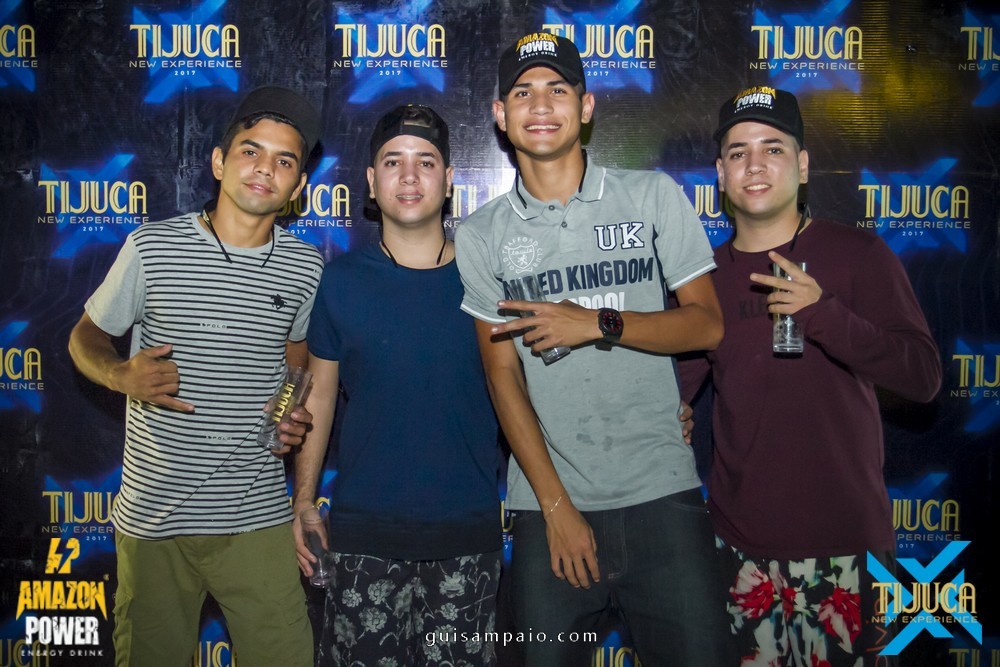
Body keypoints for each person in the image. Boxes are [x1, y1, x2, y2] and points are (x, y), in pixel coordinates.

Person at [454, 32, 736, 665]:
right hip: (547, 505)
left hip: (662, 493)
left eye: (558, 89)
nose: (540, 105)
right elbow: (502, 376)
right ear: (500, 115)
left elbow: (707, 326)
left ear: (585, 107)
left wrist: (597, 323)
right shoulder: (481, 233)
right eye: (522, 93)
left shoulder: (652, 195)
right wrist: (556, 507)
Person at [679, 86, 942, 666]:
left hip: (847, 551)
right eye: (739, 152)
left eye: (772, 149)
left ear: (802, 166)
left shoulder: (860, 254)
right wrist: (670, 413)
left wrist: (823, 313)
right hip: (739, 554)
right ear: (720, 174)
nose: (755, 165)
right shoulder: (704, 280)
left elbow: (923, 377)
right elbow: (673, 390)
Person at [67, 86, 324, 666]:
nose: (265, 168)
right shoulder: (151, 248)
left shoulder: (306, 267)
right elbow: (84, 337)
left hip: (256, 518)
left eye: (285, 161)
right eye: (251, 151)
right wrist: (118, 373)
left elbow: (297, 363)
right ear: (219, 162)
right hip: (155, 520)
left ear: (299, 186)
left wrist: (288, 411)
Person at [292, 104, 503, 666]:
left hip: (466, 537)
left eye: (425, 162)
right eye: (393, 161)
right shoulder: (339, 282)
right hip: (364, 538)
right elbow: (318, 396)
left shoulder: (489, 280)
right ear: (371, 180)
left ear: (450, 179)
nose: (409, 176)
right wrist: (304, 500)